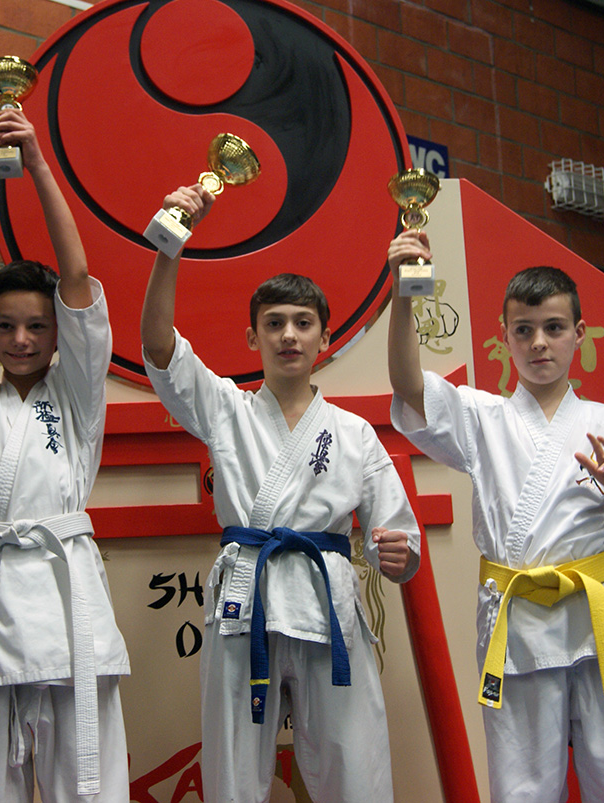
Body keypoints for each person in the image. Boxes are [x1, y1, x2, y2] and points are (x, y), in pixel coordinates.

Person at [140, 185, 422, 803]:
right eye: (274, 324)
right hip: (247, 598)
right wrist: (171, 246)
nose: (288, 335)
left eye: (302, 323)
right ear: (253, 338)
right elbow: (160, 348)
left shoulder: (353, 434)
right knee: (234, 773)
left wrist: (398, 555)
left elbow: (398, 536)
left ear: (325, 338)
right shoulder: (226, 411)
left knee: (355, 766)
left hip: (327, 601)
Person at [386, 229, 604, 802]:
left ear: (579, 334)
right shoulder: (482, 416)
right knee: (522, 789)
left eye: (554, 328)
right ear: (505, 336)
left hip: (597, 622)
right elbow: (409, 386)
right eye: (524, 330)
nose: (539, 343)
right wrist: (404, 290)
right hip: (516, 627)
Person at [0, 109, 129, 802]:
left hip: (68, 602)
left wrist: (36, 163)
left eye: (37, 325)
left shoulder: (76, 393)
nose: (19, 339)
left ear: (59, 333)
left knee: (87, 784)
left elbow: (78, 276)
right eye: (5, 326)